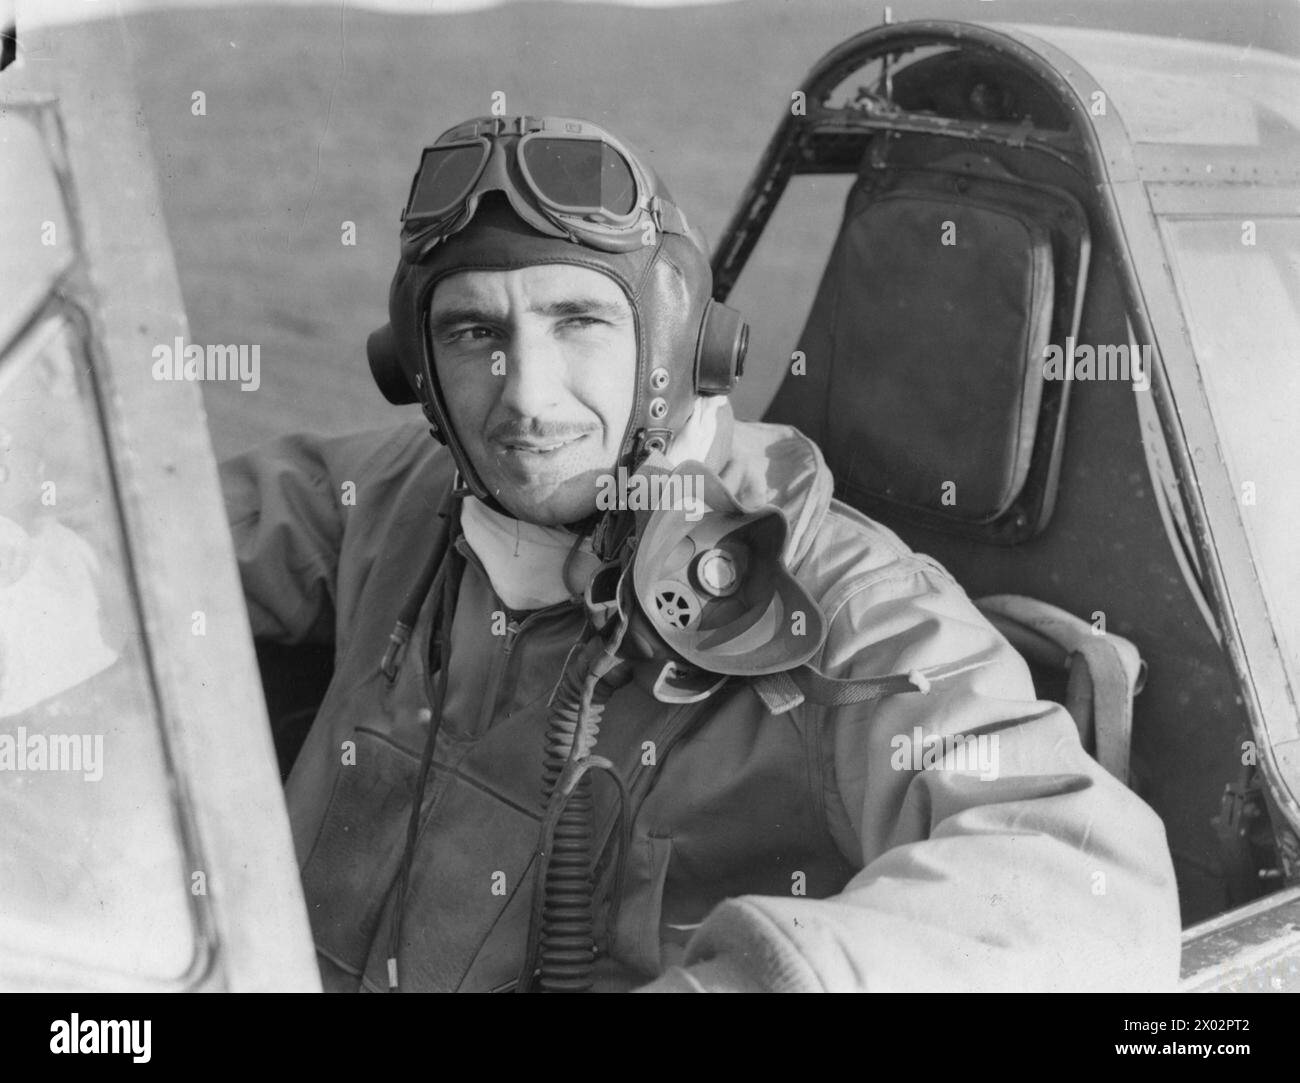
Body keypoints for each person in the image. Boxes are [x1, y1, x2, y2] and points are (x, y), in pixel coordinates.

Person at [220, 114, 1182, 993]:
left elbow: (1083, 881)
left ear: (679, 349)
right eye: (475, 333)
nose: (527, 401)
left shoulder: (849, 607)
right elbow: (146, 538)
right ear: (417, 373)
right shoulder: (401, 496)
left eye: (578, 322)